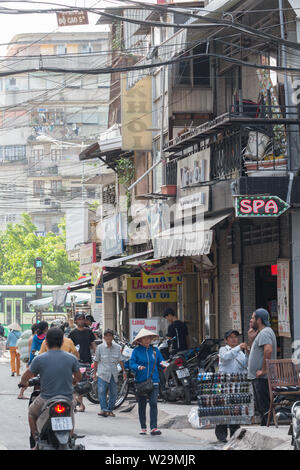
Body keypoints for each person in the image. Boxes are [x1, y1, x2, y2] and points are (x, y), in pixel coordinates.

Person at [19, 328, 82, 449]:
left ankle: (36, 440)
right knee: (71, 410)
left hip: (46, 399)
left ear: (46, 343)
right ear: (62, 342)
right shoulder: (72, 358)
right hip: (67, 398)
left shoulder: (39, 359)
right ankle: (70, 437)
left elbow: (26, 376)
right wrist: (72, 381)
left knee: (31, 413)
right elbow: (78, 377)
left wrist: (23, 383)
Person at [130, 328, 166, 436]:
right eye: (145, 338)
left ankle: (154, 428)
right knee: (142, 405)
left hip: (154, 381)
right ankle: (143, 427)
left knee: (153, 403)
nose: (147, 340)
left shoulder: (155, 350)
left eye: (149, 338)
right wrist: (137, 367)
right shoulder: (136, 351)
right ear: (140, 340)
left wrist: (166, 364)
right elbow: (131, 363)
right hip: (141, 382)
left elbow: (161, 362)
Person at [215, 329, 248, 442]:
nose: (234, 339)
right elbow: (226, 357)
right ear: (226, 340)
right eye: (231, 337)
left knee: (235, 410)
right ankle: (221, 435)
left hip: (237, 385)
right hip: (224, 385)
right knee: (223, 410)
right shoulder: (223, 350)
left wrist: (248, 353)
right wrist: (239, 347)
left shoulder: (241, 353)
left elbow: (245, 366)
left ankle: (235, 434)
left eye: (236, 337)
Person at [247, 308, 277, 426]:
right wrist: (252, 339)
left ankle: (267, 426)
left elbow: (268, 350)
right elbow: (255, 353)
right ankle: (265, 425)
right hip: (257, 376)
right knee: (260, 405)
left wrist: (263, 370)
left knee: (263, 405)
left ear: (259, 320)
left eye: (253, 317)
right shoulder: (261, 333)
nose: (251, 320)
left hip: (262, 377)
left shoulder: (265, 332)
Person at [93, 329, 126, 417]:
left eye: (110, 335)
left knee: (114, 393)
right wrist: (94, 374)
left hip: (113, 374)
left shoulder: (118, 347)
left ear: (112, 337)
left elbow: (121, 360)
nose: (108, 337)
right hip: (102, 374)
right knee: (101, 391)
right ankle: (104, 409)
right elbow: (96, 361)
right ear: (104, 337)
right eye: (106, 336)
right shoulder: (99, 347)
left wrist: (124, 372)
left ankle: (110, 409)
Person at [69, 311, 97, 412]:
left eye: (82, 319)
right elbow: (70, 347)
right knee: (79, 382)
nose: (81, 321)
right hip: (77, 361)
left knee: (85, 383)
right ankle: (80, 404)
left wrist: (97, 356)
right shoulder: (72, 333)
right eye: (79, 319)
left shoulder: (89, 332)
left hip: (87, 360)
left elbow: (93, 344)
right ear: (76, 320)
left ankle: (79, 401)